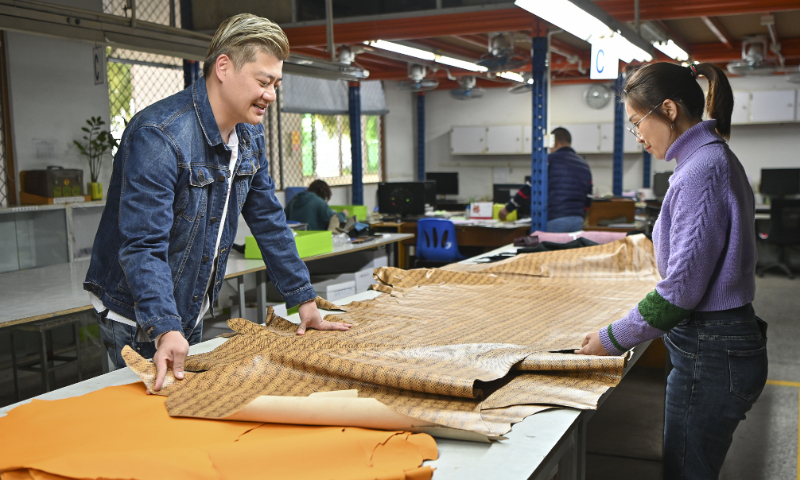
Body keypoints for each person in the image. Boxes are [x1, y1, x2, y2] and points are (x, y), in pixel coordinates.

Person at [83, 13, 351, 392]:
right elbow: (143, 245)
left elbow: (270, 223)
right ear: (223, 67)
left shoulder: (249, 138)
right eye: (263, 81)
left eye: (276, 83)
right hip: (137, 313)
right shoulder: (159, 135)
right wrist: (165, 328)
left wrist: (304, 301)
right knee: (146, 427)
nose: (271, 94)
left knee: (183, 412)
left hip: (187, 306)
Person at [575, 63, 767, 479]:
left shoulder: (702, 170)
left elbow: (681, 290)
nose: (638, 135)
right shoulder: (706, 159)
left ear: (668, 109)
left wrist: (611, 339)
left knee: (686, 473)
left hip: (712, 350)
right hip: (717, 344)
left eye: (637, 122)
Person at [498, 127, 592, 232]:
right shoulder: (584, 164)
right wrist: (579, 214)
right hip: (577, 221)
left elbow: (530, 186)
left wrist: (508, 209)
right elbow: (588, 197)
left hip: (556, 219)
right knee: (569, 248)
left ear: (555, 142)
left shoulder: (548, 160)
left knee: (549, 248)